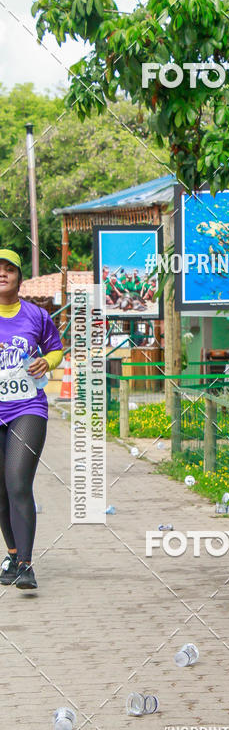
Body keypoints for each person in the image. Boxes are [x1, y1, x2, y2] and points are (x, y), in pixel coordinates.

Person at [0, 250, 63, 590]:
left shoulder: (37, 316)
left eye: (9, 269)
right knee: (0, 490)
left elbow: (56, 348)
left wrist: (47, 363)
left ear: (19, 278)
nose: (2, 274)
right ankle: (11, 555)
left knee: (18, 482)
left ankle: (25, 564)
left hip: (27, 408)